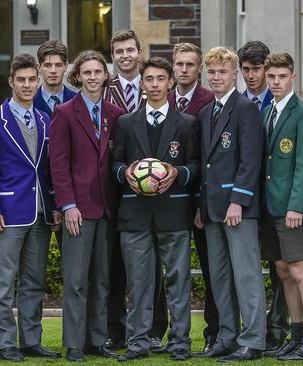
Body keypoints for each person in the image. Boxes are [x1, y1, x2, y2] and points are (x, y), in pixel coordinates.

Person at [112, 56, 199, 362]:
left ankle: (180, 343)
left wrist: (177, 173)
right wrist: (125, 173)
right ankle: (138, 342)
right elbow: (115, 163)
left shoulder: (187, 124)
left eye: (161, 79)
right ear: (142, 84)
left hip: (173, 214)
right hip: (135, 214)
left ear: (171, 83)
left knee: (178, 282)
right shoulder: (124, 122)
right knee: (138, 284)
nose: (155, 85)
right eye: (149, 79)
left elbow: (195, 166)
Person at [0, 53, 61, 362]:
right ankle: (5, 343)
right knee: (3, 282)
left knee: (34, 282)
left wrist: (52, 205)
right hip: (8, 213)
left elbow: (47, 169)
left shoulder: (44, 119)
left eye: (31, 80)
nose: (27, 85)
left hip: (39, 212)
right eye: (21, 80)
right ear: (11, 81)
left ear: (38, 82)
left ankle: (30, 340)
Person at [48, 50, 124, 362]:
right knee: (77, 280)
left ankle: (96, 340)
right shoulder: (65, 112)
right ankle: (75, 343)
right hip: (78, 210)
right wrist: (67, 205)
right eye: (87, 72)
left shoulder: (115, 114)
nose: (93, 77)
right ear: (78, 76)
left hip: (107, 209)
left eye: (98, 72)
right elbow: (59, 164)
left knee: (103, 280)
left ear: (106, 76)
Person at [193, 47, 265, 362]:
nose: (217, 77)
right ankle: (226, 337)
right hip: (211, 209)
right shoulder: (206, 112)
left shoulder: (246, 108)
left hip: (238, 209)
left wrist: (238, 200)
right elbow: (205, 165)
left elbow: (250, 161)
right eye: (212, 72)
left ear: (234, 73)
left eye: (222, 71)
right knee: (219, 276)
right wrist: (200, 205)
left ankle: (253, 341)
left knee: (246, 275)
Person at [103, 29, 167, 353]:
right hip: (113, 189)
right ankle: (116, 329)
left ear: (138, 53)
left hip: (155, 193)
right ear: (112, 56)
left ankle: (155, 328)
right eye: (118, 51)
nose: (125, 56)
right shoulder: (103, 89)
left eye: (130, 50)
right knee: (115, 265)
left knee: (153, 264)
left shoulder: (153, 84)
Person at [260, 53, 303, 361]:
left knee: (301, 271)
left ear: (293, 77)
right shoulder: (266, 110)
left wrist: (298, 205)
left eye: (281, 76)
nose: (275, 82)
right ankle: (295, 336)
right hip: (269, 206)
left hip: (290, 208)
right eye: (271, 77)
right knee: (283, 271)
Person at [237, 39, 289, 354]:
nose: (252, 76)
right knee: (245, 267)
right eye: (246, 70)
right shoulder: (236, 102)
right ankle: (248, 327)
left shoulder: (281, 101)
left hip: (274, 199)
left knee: (279, 267)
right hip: (244, 199)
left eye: (257, 69)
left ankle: (278, 327)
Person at [167, 42, 217, 353]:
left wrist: (202, 202)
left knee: (213, 271)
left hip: (201, 200)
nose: (184, 69)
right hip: (169, 202)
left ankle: (215, 332)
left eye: (190, 64)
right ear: (173, 67)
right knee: (171, 271)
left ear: (199, 69)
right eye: (179, 64)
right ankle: (165, 332)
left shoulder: (210, 101)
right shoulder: (163, 99)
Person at [33, 40, 77, 118]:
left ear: (66, 66)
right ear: (39, 67)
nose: (53, 71)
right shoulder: (29, 102)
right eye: (48, 65)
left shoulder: (78, 101)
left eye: (58, 65)